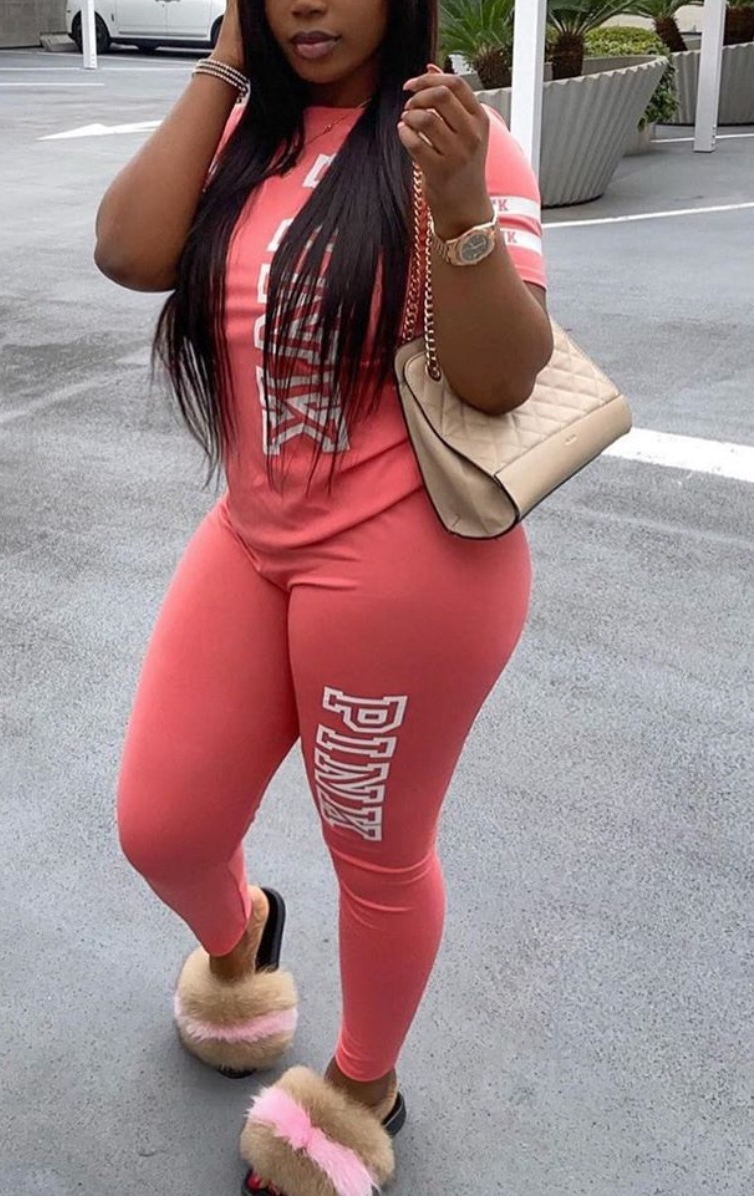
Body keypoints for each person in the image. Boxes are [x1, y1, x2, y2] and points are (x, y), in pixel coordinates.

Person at [95, 0, 553, 1189]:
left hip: (407, 572)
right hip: (252, 539)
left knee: (375, 858)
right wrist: (222, 71)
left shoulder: (462, 144)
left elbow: (503, 379)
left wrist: (459, 202)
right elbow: (129, 253)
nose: (307, 4)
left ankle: (362, 1085)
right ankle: (238, 935)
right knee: (163, 827)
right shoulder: (243, 140)